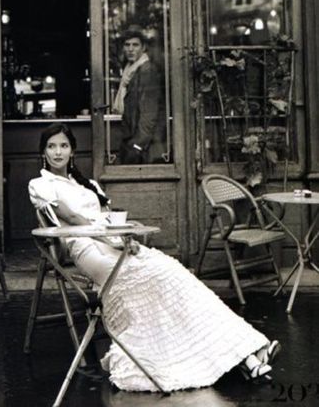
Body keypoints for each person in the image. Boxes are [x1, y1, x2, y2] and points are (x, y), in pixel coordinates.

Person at [28, 122, 281, 394]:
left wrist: (127, 239)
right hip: (87, 249)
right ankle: (244, 356)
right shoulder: (41, 184)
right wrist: (116, 239)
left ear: (72, 151)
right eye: (52, 146)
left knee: (174, 274)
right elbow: (75, 220)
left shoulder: (88, 184)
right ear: (43, 151)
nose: (58, 152)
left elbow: (108, 218)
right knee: (155, 278)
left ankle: (247, 354)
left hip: (112, 243)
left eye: (63, 146)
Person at [113, 25, 165, 164]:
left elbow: (149, 112)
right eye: (127, 45)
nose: (130, 49)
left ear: (143, 48)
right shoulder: (130, 70)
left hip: (144, 146)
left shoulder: (146, 71)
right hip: (134, 141)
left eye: (135, 45)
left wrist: (137, 145)